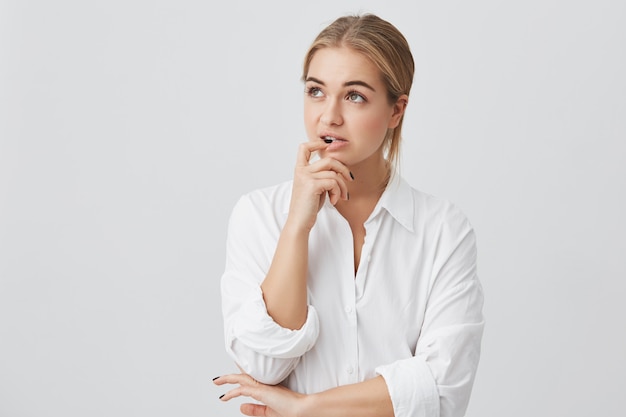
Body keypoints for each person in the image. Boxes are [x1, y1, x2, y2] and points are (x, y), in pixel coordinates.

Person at [213, 13, 484, 417]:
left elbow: (441, 391)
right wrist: (297, 227)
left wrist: (305, 408)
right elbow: (261, 367)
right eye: (316, 91)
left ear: (396, 111)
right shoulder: (258, 215)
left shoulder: (444, 230)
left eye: (354, 96)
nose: (329, 116)